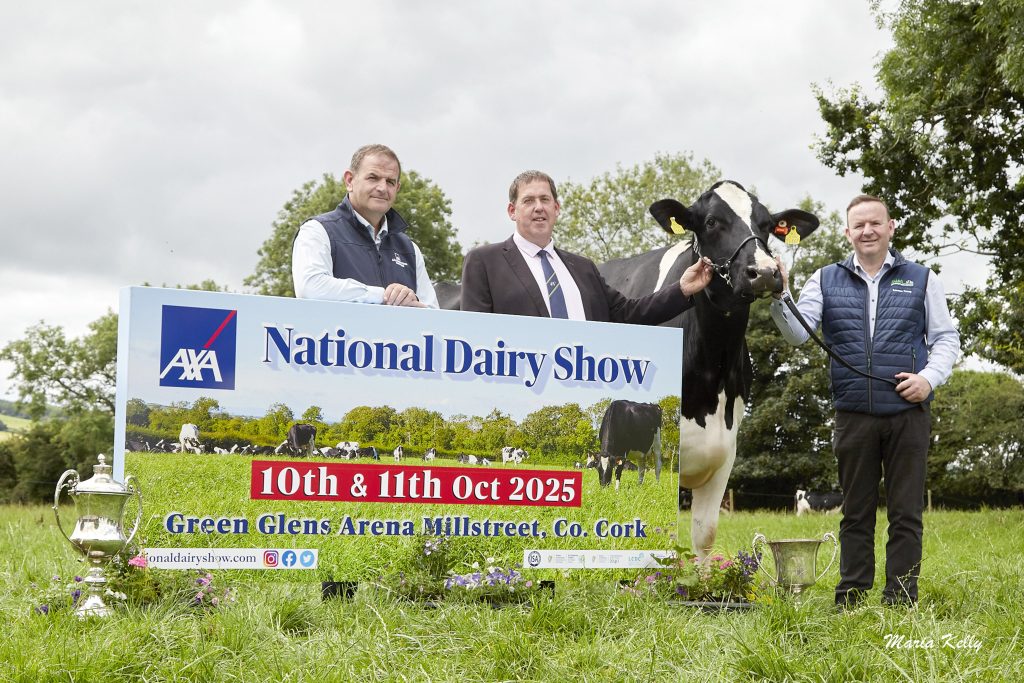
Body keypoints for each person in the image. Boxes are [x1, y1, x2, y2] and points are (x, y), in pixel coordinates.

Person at [769, 194, 961, 608]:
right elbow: (798, 334)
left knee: (906, 514)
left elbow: (946, 338)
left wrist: (928, 380)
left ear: (891, 227)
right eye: (859, 225)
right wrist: (780, 295)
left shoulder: (923, 278)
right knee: (855, 512)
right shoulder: (823, 279)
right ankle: (851, 598)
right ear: (847, 233)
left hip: (908, 412)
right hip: (853, 413)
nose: (868, 231)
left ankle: (901, 598)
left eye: (876, 223)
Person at [460, 170, 713, 321]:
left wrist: (681, 289)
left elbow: (629, 314)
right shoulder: (484, 262)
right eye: (529, 200)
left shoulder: (583, 269)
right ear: (512, 211)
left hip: (582, 397)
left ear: (556, 209)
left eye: (545, 199)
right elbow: (475, 335)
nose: (539, 207)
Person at [292, 144, 438, 308]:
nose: (382, 188)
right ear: (349, 181)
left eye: (390, 182)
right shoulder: (317, 231)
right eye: (373, 178)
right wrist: (382, 296)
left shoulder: (410, 249)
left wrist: (414, 303)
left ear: (397, 188)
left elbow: (434, 313)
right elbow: (310, 287)